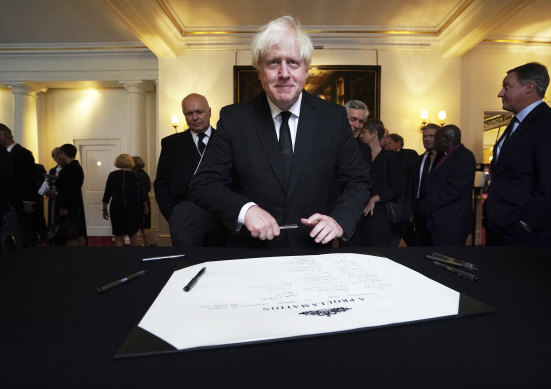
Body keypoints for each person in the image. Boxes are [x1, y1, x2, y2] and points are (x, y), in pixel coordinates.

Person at [190, 15, 370, 248]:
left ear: (306, 70)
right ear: (260, 71)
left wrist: (339, 220)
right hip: (252, 254)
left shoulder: (333, 118)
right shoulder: (234, 119)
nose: (284, 73)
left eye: (293, 62)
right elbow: (204, 184)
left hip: (312, 253)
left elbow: (358, 180)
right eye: (273, 62)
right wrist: (247, 211)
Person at [485, 62, 551, 251]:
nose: (500, 93)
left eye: (507, 86)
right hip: (499, 227)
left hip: (525, 234)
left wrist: (526, 223)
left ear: (529, 87)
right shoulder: (515, 123)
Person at [154, 93, 227, 247]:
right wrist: (172, 215)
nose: (195, 117)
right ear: (184, 115)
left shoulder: (225, 141)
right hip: (184, 217)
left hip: (222, 216)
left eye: (199, 112)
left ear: (209, 112)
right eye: (189, 113)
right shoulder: (171, 144)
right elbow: (161, 183)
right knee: (187, 264)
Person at [418, 125, 476, 246]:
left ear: (446, 139)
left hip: (452, 224)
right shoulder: (443, 156)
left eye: (436, 138)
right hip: (437, 222)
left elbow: (454, 189)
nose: (434, 141)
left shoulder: (464, 156)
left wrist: (426, 204)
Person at [356, 119, 405, 246]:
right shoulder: (361, 156)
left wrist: (375, 199)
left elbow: (397, 188)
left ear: (374, 133)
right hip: (361, 213)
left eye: (364, 132)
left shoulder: (390, 157)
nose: (361, 135)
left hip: (381, 214)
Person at [0, 123, 37, 251]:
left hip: (17, 202)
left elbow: (29, 179)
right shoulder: (4, 154)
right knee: (5, 238)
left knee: (21, 235)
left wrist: (28, 201)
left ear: (2, 135)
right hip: (6, 202)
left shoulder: (23, 153)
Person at [403, 123, 441, 247]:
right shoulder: (418, 160)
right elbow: (412, 187)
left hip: (437, 215)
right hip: (419, 214)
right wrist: (411, 211)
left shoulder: (444, 160)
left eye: (431, 136)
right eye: (425, 136)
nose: (427, 139)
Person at [102, 154, 148, 247]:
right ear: (130, 162)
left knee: (118, 234)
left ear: (117, 162)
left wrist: (104, 209)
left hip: (117, 206)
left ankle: (120, 258)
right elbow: (142, 193)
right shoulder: (135, 175)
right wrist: (145, 206)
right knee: (133, 233)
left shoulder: (112, 175)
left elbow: (107, 194)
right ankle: (133, 257)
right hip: (133, 206)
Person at [54, 143, 87, 246]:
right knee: (78, 232)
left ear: (63, 153)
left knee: (69, 234)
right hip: (76, 203)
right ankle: (83, 256)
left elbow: (66, 189)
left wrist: (63, 206)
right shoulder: (77, 167)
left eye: (60, 154)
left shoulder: (68, 169)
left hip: (68, 205)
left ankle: (74, 258)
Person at [132, 156, 152, 247]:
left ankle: (136, 248)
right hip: (146, 201)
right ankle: (147, 246)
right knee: (146, 225)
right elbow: (148, 189)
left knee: (134, 227)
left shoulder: (134, 175)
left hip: (137, 202)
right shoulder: (145, 174)